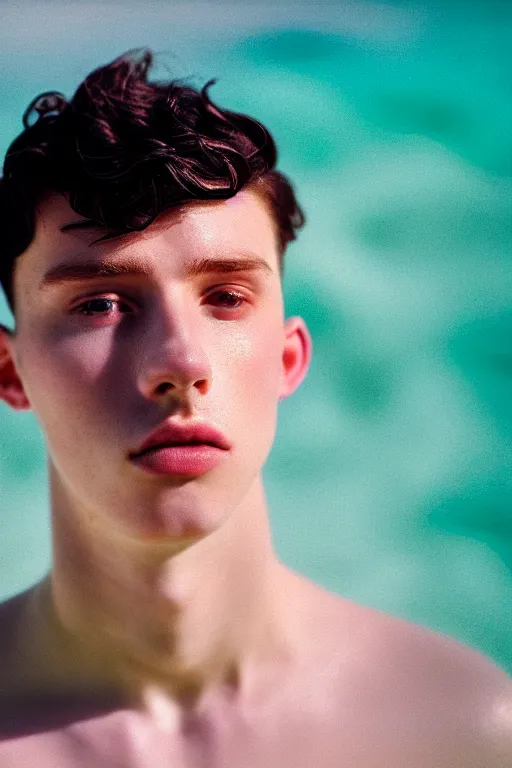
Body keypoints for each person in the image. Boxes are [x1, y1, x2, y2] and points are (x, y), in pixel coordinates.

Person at [0, 48, 510, 768]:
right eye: (102, 303)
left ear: (288, 358)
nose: (180, 362)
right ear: (9, 369)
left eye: (226, 298)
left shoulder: (461, 730)